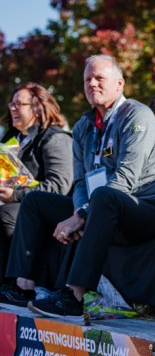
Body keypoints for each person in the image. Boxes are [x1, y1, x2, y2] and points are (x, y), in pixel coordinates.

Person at [0, 54, 155, 318]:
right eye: (87, 79)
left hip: (148, 209)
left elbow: (126, 178)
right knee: (36, 201)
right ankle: (23, 286)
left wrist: (82, 215)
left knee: (106, 196)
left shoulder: (136, 115)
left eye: (99, 78)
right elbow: (81, 180)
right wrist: (80, 211)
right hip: (101, 208)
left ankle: (74, 296)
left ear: (119, 84)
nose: (92, 84)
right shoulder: (84, 126)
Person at [0, 83, 73, 279]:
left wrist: (15, 195)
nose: (12, 108)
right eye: (11, 104)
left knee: (6, 214)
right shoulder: (11, 140)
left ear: (38, 109)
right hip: (18, 202)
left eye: (19, 104)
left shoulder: (55, 139)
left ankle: (15, 282)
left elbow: (59, 185)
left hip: (47, 208)